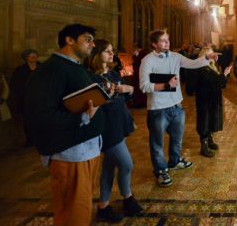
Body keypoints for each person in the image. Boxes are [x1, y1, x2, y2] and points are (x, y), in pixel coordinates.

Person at [25, 24, 105, 226]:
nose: (93, 44)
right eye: (87, 39)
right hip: (71, 154)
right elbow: (40, 116)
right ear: (69, 40)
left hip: (85, 150)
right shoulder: (51, 70)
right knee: (73, 213)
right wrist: (82, 118)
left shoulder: (74, 66)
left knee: (82, 207)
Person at [139, 29, 219, 187]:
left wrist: (206, 58)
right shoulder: (147, 60)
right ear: (154, 44)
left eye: (167, 40)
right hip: (158, 108)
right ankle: (161, 170)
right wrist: (166, 85)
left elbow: (192, 64)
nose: (166, 42)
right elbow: (143, 86)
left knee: (177, 139)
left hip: (176, 106)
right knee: (157, 143)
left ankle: (174, 162)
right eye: (162, 40)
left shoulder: (175, 57)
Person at [84, 39, 143, 222]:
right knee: (127, 164)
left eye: (112, 51)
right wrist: (108, 96)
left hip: (120, 123)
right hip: (106, 127)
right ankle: (128, 198)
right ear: (97, 54)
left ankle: (104, 205)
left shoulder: (112, 73)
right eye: (107, 51)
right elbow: (93, 105)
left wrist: (129, 89)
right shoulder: (90, 77)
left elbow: (124, 97)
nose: (112, 54)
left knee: (109, 167)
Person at [193, 47, 232, 157]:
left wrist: (222, 75)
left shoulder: (212, 66)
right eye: (211, 54)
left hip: (212, 99)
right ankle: (203, 146)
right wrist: (224, 74)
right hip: (204, 100)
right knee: (204, 122)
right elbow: (212, 82)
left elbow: (218, 83)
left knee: (210, 120)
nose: (214, 56)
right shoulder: (201, 67)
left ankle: (209, 140)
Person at [9, 49, 40, 146]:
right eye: (31, 56)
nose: (34, 58)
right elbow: (15, 84)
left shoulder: (43, 67)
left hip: (41, 98)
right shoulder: (20, 70)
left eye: (35, 55)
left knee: (41, 118)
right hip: (26, 99)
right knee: (27, 120)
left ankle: (40, 138)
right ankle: (30, 140)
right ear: (26, 58)